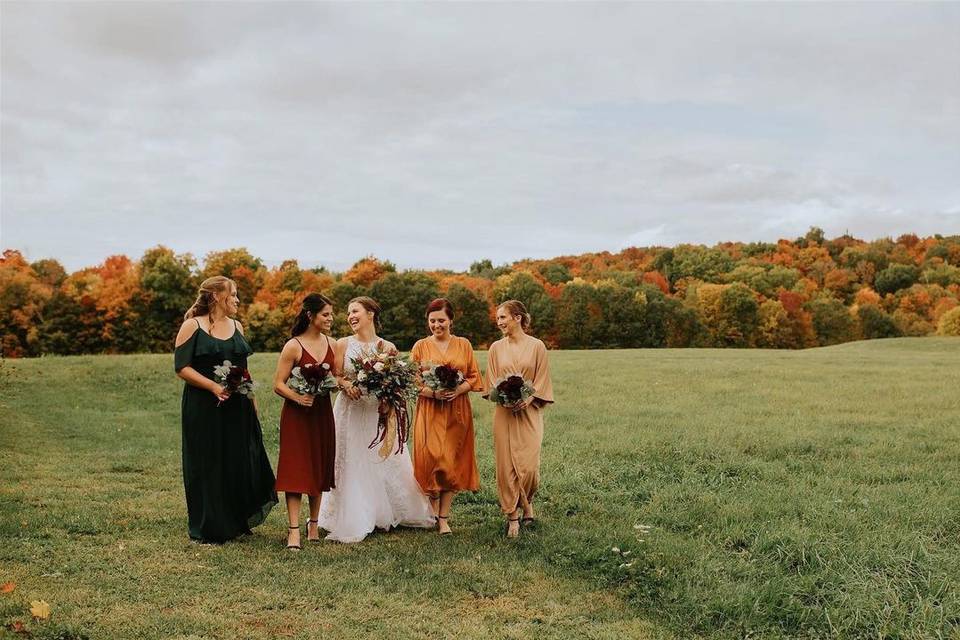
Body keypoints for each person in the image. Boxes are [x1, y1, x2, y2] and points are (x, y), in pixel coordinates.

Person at [317, 296, 436, 543]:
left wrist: (387, 402)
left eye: (355, 311)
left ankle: (388, 510)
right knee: (351, 459)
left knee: (381, 458)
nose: (350, 316)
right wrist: (347, 384)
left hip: (377, 412)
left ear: (370, 314)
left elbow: (394, 382)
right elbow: (336, 376)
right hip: (350, 410)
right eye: (348, 313)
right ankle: (355, 513)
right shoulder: (342, 344)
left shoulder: (387, 347)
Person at [173, 276, 277, 543]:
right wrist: (212, 387)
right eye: (233, 295)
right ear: (217, 296)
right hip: (204, 406)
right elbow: (182, 367)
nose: (237, 300)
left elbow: (244, 369)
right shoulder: (191, 326)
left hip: (238, 405)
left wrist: (252, 402)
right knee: (208, 461)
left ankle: (236, 519)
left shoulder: (237, 326)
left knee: (237, 459)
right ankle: (209, 524)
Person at [410, 298, 483, 535]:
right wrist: (433, 392)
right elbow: (411, 381)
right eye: (432, 321)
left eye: (441, 320)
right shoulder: (420, 346)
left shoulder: (463, 344)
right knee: (431, 458)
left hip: (456, 410)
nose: (436, 325)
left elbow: (473, 376)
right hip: (430, 410)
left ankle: (443, 518)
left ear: (451, 320)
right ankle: (430, 511)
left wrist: (457, 390)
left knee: (450, 461)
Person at [484, 300, 554, 538]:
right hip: (504, 413)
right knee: (506, 466)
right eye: (498, 319)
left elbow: (542, 378)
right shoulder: (495, 348)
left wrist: (529, 398)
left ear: (518, 318)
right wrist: (503, 397)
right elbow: (492, 380)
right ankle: (513, 516)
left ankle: (527, 501)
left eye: (503, 317)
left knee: (529, 467)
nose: (499, 322)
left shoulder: (537, 346)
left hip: (529, 412)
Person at [272, 293, 337, 550]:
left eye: (331, 314)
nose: (331, 319)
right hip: (297, 415)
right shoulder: (294, 346)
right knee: (296, 469)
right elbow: (278, 384)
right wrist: (298, 398)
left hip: (322, 414)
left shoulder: (332, 344)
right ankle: (293, 530)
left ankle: (313, 524)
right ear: (311, 316)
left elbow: (337, 377)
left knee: (318, 465)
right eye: (326, 314)